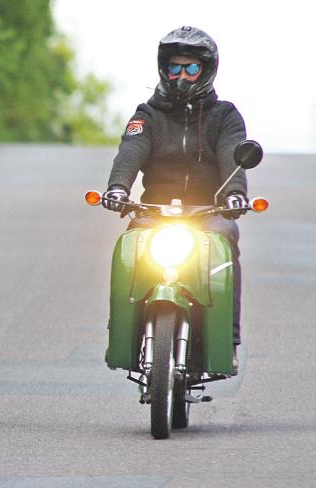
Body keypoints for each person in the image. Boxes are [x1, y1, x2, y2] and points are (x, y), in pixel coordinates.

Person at [101, 26, 249, 370]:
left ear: (206, 70)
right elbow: (130, 150)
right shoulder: (147, 115)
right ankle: (122, 334)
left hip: (208, 211)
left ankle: (228, 340)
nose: (182, 75)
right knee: (128, 248)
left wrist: (235, 194)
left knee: (226, 244)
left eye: (191, 68)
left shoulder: (224, 116)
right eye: (175, 68)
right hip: (153, 211)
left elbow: (233, 153)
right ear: (164, 70)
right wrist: (118, 188)